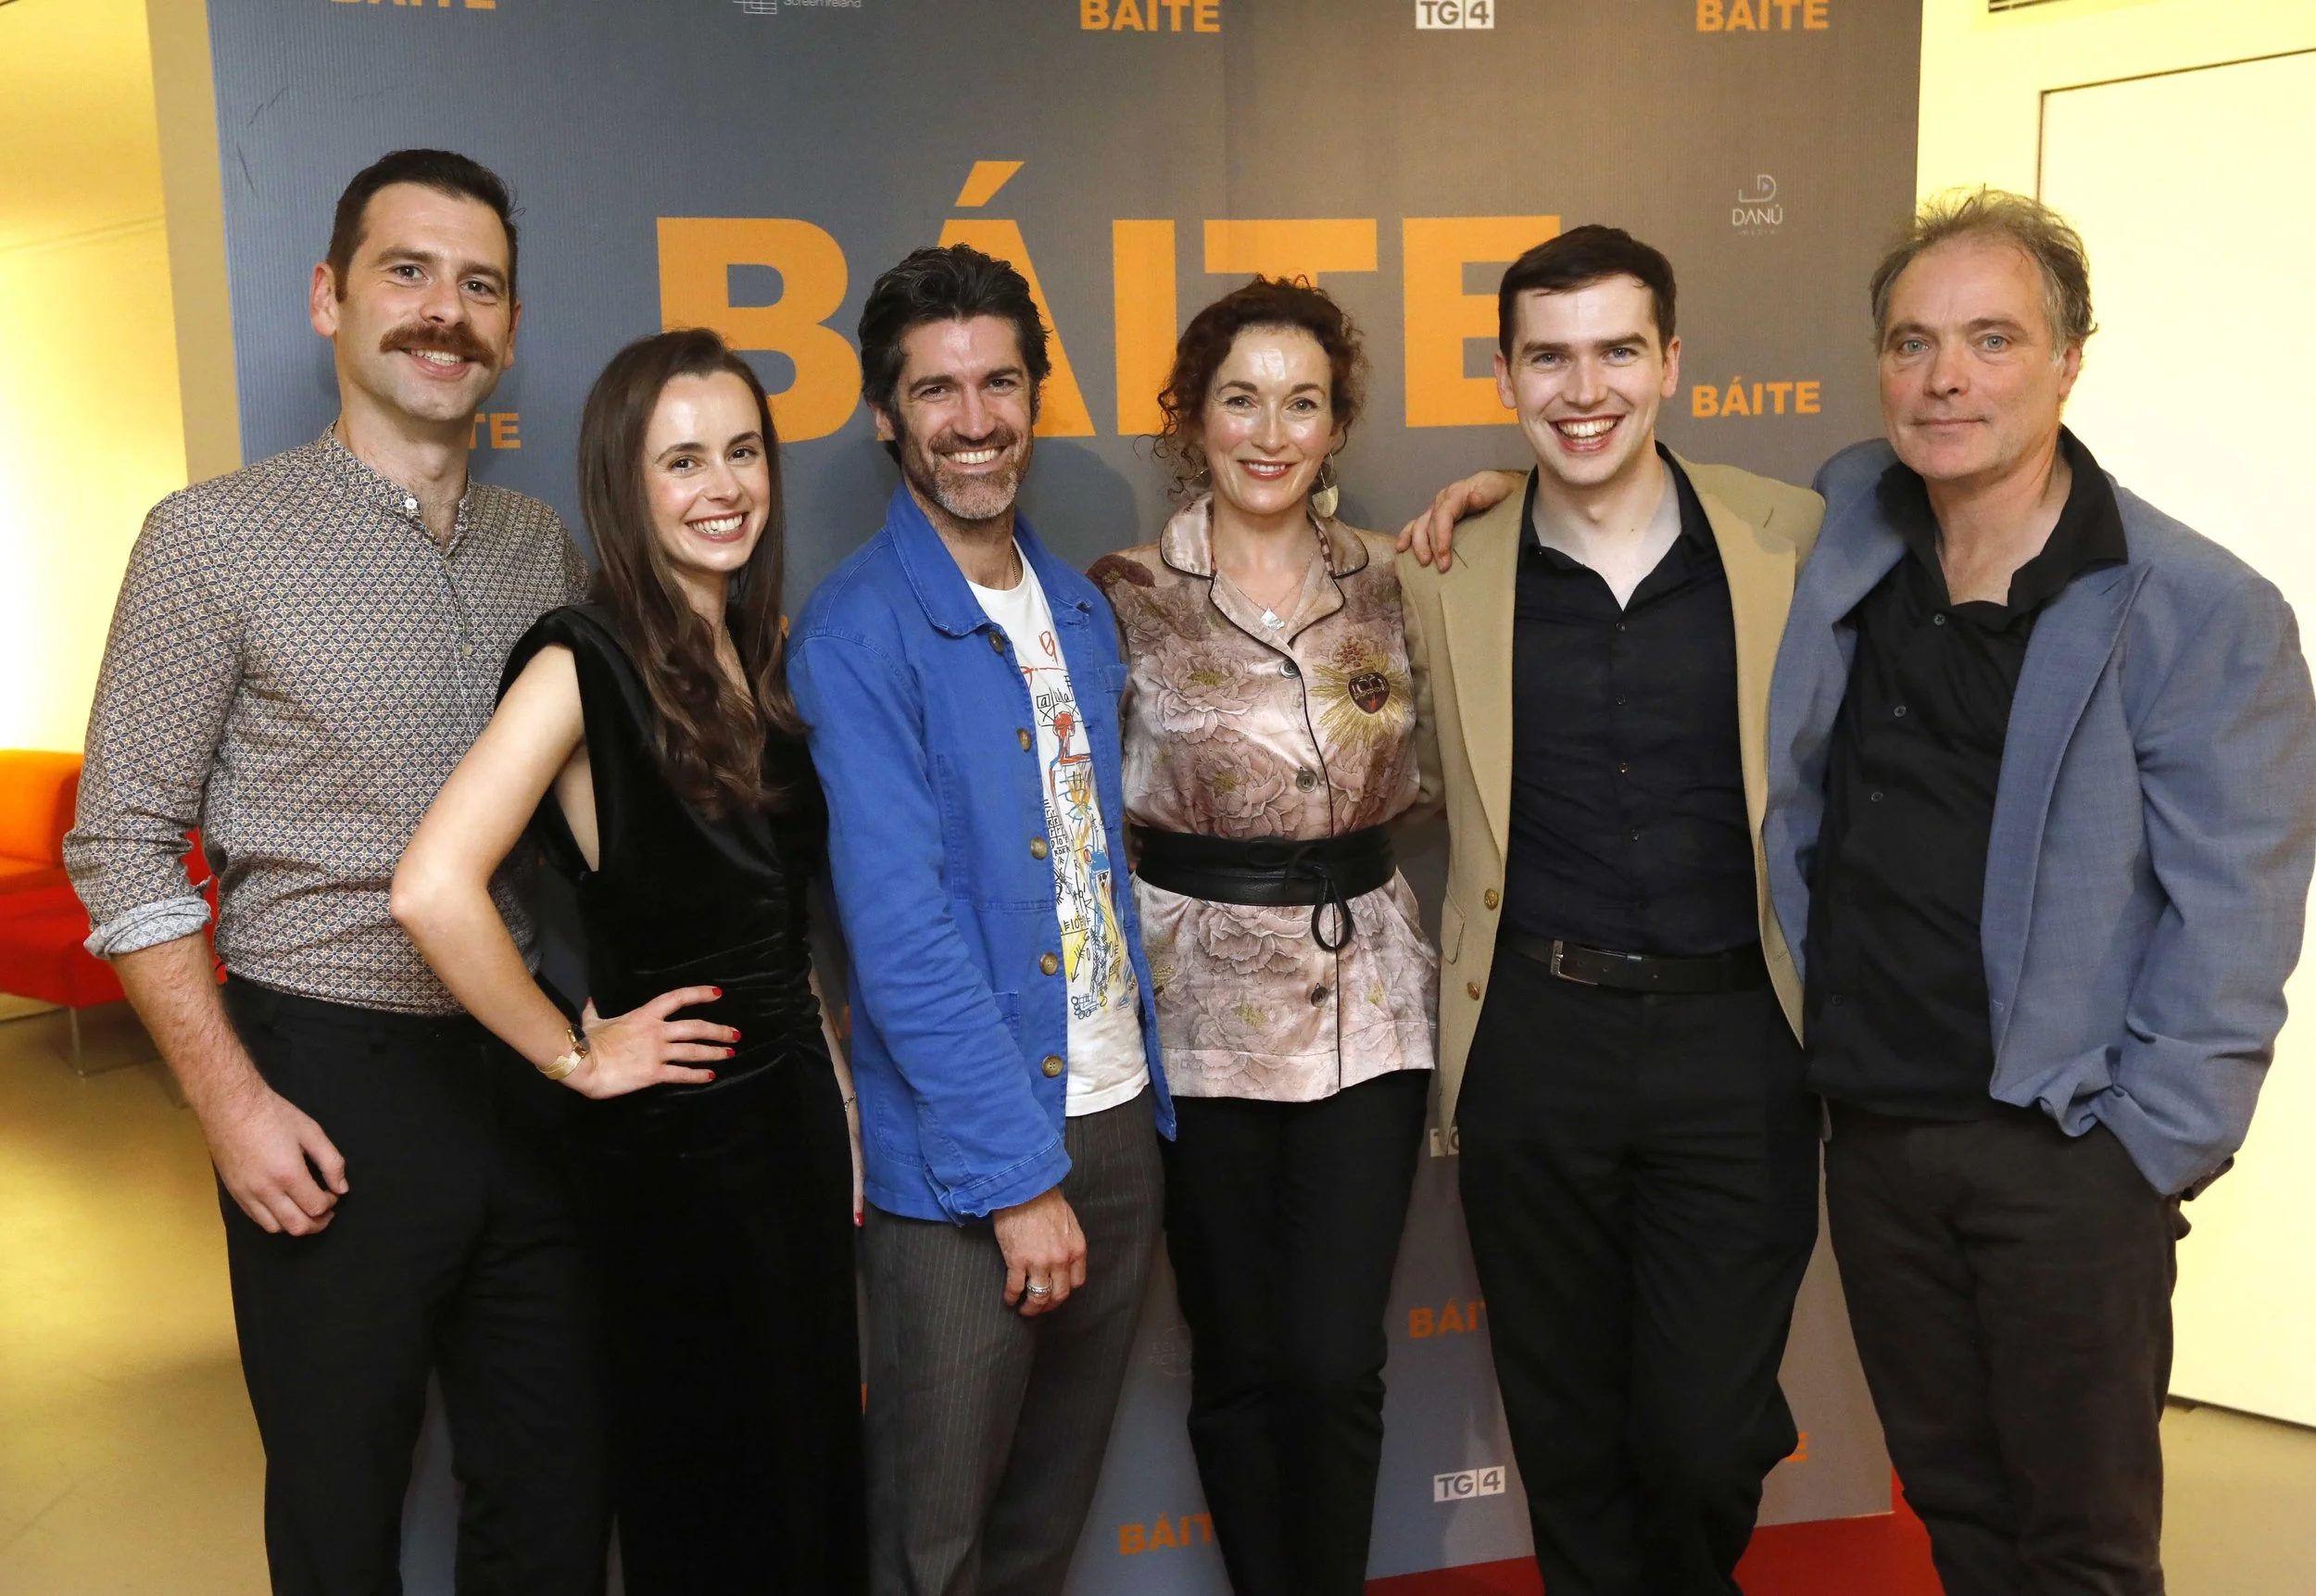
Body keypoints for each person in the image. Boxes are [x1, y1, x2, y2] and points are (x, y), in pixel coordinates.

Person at [64, 150, 607, 1593]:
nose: (446, 312)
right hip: (323, 1082)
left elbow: (579, 827)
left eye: (480, 284)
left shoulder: (533, 547)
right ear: (330, 297)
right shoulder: (211, 539)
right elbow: (117, 838)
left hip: (522, 1073)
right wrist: (230, 1100)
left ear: (507, 325)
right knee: (339, 1512)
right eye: (408, 272)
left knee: (554, 1506)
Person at [1763, 188, 2316, 1596]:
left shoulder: (2197, 604)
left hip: (2067, 1153)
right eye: (1913, 341)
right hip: (1879, 1128)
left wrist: (2146, 1150)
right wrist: (1500, 491)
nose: (1946, 377)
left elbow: (2239, 907)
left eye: (1993, 339)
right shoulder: (1846, 521)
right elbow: (1661, 504)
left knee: (2081, 1546)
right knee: (1956, 1506)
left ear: (2070, 360)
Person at [391, 328, 867, 1593]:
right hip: (683, 1161)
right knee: (717, 1500)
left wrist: (834, 1090)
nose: (724, 485)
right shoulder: (579, 656)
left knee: (810, 1476)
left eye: (743, 451)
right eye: (682, 461)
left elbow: (777, 922)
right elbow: (433, 888)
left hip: (793, 1133)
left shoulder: (747, 646)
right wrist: (575, 1050)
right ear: (624, 481)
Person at [1393, 225, 1825, 1595]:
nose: (1586, 390)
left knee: (1701, 1441)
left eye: (1617, 352)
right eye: (1550, 357)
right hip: (1536, 1039)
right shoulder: (1440, 567)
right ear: (1508, 375)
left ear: (1672, 363)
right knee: (1570, 1446)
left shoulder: (1791, 537)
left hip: (1737, 1042)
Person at [787, 242, 1174, 1596]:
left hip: (1120, 1113)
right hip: (969, 1159)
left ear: (1035, 395)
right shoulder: (855, 632)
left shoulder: (1078, 606)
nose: (974, 420)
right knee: (936, 1542)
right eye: (935, 389)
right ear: (887, 412)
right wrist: (1020, 1179)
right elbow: (898, 938)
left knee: (1041, 1522)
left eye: (999, 381)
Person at [1086, 277, 1433, 1596]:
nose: (1271, 430)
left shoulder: (1403, 578)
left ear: (1339, 423)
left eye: (1304, 401)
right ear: (1194, 419)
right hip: (1193, 1013)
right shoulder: (1120, 596)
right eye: (1241, 398)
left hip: (1373, 1011)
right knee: (1234, 1357)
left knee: (1336, 1358)